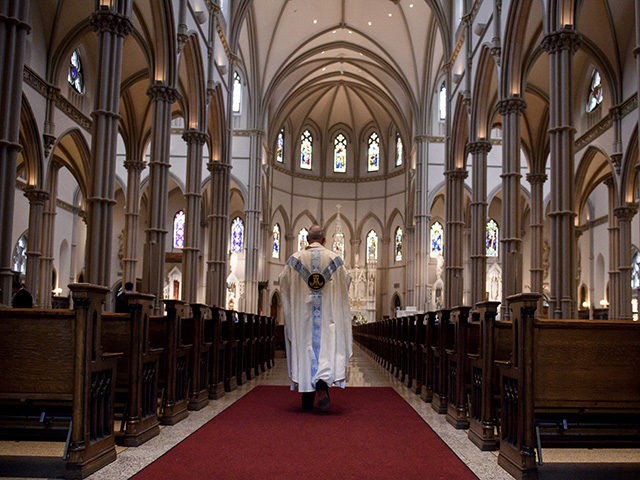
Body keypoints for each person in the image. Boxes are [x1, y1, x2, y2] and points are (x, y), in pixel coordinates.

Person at [279, 224, 352, 412]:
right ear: (324, 239)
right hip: (328, 318)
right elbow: (347, 281)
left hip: (303, 319)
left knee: (306, 350)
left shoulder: (294, 260)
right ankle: (322, 386)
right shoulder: (335, 260)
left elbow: (283, 283)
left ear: (306, 240)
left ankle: (307, 391)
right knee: (326, 350)